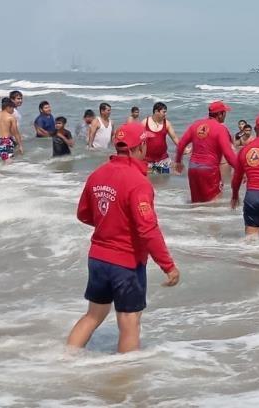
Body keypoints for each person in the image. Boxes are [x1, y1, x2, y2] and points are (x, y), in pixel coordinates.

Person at [66, 122, 180, 353]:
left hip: (97, 258)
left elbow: (83, 214)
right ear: (141, 147)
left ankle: (64, 362)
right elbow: (148, 230)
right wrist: (168, 266)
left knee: (93, 315)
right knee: (130, 323)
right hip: (125, 263)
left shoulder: (98, 173)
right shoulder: (138, 182)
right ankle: (125, 382)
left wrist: (109, 223)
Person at [173, 101, 238, 203]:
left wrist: (178, 161)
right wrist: (240, 170)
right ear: (220, 114)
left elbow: (181, 144)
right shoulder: (220, 129)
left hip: (193, 169)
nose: (226, 115)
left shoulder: (196, 125)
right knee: (214, 203)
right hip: (209, 170)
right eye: (225, 112)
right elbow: (228, 154)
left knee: (196, 204)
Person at [141, 102, 181, 174]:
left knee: (164, 180)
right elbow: (138, 139)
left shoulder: (167, 123)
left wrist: (182, 148)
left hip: (163, 158)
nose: (165, 114)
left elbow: (174, 137)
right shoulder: (145, 122)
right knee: (150, 180)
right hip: (147, 159)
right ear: (156, 111)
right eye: (164, 112)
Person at [0, 97, 23, 163]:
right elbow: (16, 133)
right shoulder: (11, 117)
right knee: (8, 162)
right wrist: (20, 145)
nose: (13, 111)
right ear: (8, 107)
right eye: (13, 108)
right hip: (5, 141)